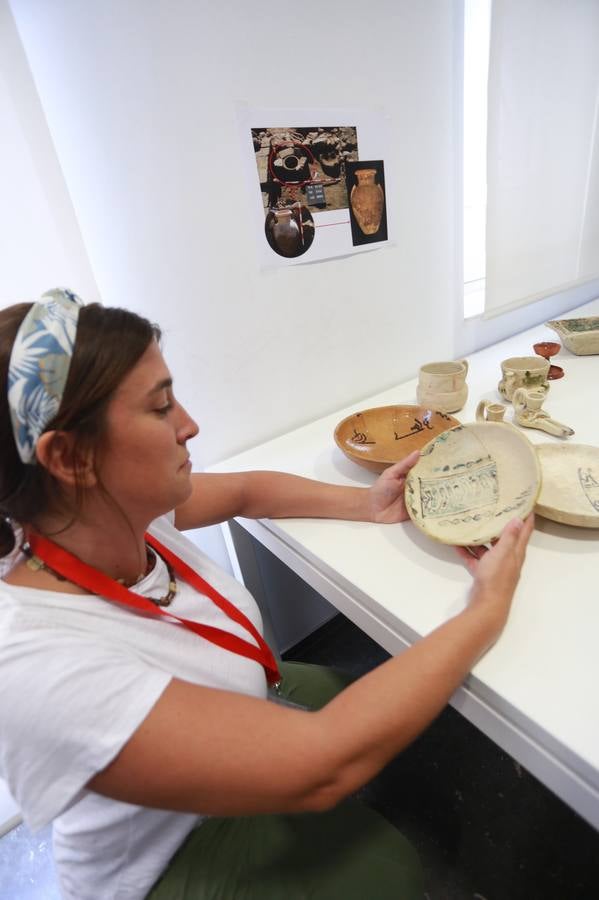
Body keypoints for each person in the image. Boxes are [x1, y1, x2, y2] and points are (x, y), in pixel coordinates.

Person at [0, 289, 534, 900]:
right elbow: (322, 765)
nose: (189, 424)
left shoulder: (96, 513)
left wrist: (367, 504)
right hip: (167, 854)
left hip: (240, 696)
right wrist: (486, 609)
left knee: (368, 705)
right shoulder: (37, 664)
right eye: (161, 407)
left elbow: (248, 491)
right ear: (70, 458)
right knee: (391, 870)